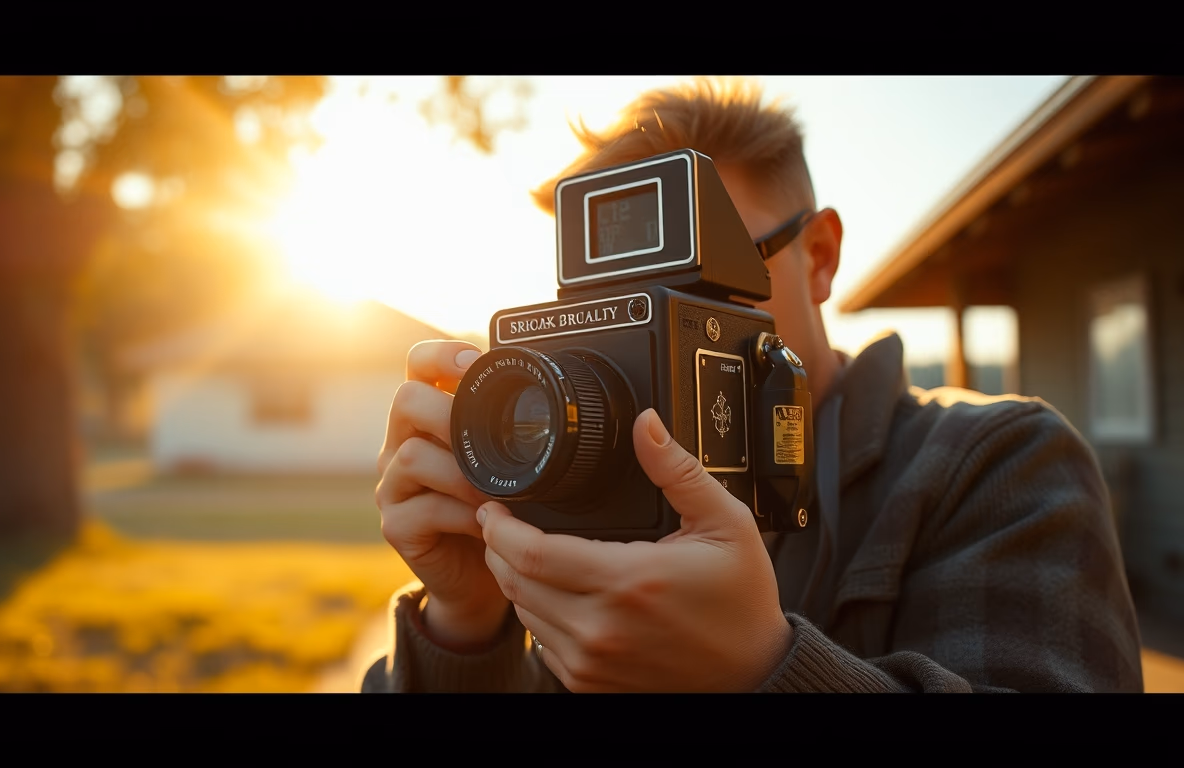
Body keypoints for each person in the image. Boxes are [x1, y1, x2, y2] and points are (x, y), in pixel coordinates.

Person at [363, 78, 1145, 692]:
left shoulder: (994, 464)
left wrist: (760, 668)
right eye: (611, 309)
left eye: (706, 285)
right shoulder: (565, 491)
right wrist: (465, 623)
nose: (661, 324)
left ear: (822, 255)